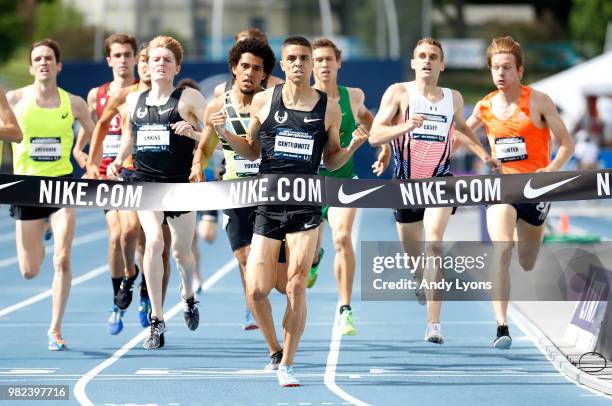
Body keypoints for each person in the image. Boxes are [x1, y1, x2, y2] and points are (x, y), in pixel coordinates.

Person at [215, 36, 368, 387]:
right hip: (268, 205)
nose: (299, 63)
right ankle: (273, 348)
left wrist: (353, 146)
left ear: (312, 65)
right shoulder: (264, 101)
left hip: (305, 207)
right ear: (282, 66)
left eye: (305, 58)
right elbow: (252, 152)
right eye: (292, 59)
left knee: (297, 285)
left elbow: (331, 160)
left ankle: (288, 362)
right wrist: (224, 131)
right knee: (256, 291)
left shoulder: (327, 107)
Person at [370, 38, 500, 345]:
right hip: (405, 186)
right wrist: (405, 127)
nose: (427, 61)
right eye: (421, 56)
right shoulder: (399, 92)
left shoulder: (452, 97)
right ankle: (418, 276)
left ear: (441, 64)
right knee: (414, 255)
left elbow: (463, 130)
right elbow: (376, 135)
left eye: (433, 57)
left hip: (440, 182)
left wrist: (484, 156)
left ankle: (434, 324)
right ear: (414, 63)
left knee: (435, 244)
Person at [465, 36, 574, 349]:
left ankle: (524, 239)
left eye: (507, 68)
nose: (501, 74)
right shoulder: (484, 106)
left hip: (536, 190)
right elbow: (456, 134)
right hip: (502, 187)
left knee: (526, 261)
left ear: (520, 71)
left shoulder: (538, 101)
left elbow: (567, 143)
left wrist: (552, 169)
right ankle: (502, 325)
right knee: (501, 249)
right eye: (496, 68)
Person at [107, 35, 208, 349]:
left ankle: (188, 297)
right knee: (153, 241)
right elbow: (129, 136)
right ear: (146, 66)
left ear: (177, 67)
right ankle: (157, 319)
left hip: (179, 186)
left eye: (167, 60)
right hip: (145, 183)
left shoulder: (189, 98)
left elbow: (214, 138)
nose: (160, 65)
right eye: (155, 60)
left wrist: (193, 133)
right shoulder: (134, 101)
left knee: (181, 253)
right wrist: (119, 159)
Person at [7, 39, 95, 350]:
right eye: (38, 59)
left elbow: (93, 130)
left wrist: (82, 153)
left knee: (63, 258)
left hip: (62, 185)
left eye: (49, 58)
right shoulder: (14, 99)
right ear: (31, 67)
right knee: (29, 271)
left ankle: (54, 329)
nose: (43, 62)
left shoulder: (73, 103)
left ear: (58, 66)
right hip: (27, 189)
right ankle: (43, 226)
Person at [191, 38, 279, 331]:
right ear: (233, 68)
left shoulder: (272, 104)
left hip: (269, 190)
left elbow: (261, 147)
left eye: (257, 69)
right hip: (235, 190)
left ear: (264, 74)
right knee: (245, 256)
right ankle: (253, 304)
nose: (250, 73)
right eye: (245, 67)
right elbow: (204, 147)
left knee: (277, 276)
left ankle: (262, 295)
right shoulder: (218, 106)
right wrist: (197, 168)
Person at [307, 37, 379, 337]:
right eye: (318, 60)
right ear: (311, 65)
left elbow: (369, 119)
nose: (324, 65)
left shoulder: (354, 96)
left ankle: (345, 308)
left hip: (343, 182)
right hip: (308, 185)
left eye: (328, 59)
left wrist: (380, 145)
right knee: (309, 251)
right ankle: (314, 259)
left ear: (339, 63)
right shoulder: (302, 99)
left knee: (343, 237)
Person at [76, 33, 139, 335]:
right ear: (109, 60)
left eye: (128, 54)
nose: (123, 60)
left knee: (140, 239)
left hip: (140, 174)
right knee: (116, 236)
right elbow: (91, 132)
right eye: (118, 55)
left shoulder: (145, 91)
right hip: (108, 175)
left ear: (136, 58)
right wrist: (85, 159)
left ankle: (143, 291)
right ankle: (120, 293)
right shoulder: (96, 95)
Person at [213, 28, 283, 99]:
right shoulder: (221, 91)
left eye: (249, 46)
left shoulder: (277, 87)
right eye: (238, 47)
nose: (242, 51)